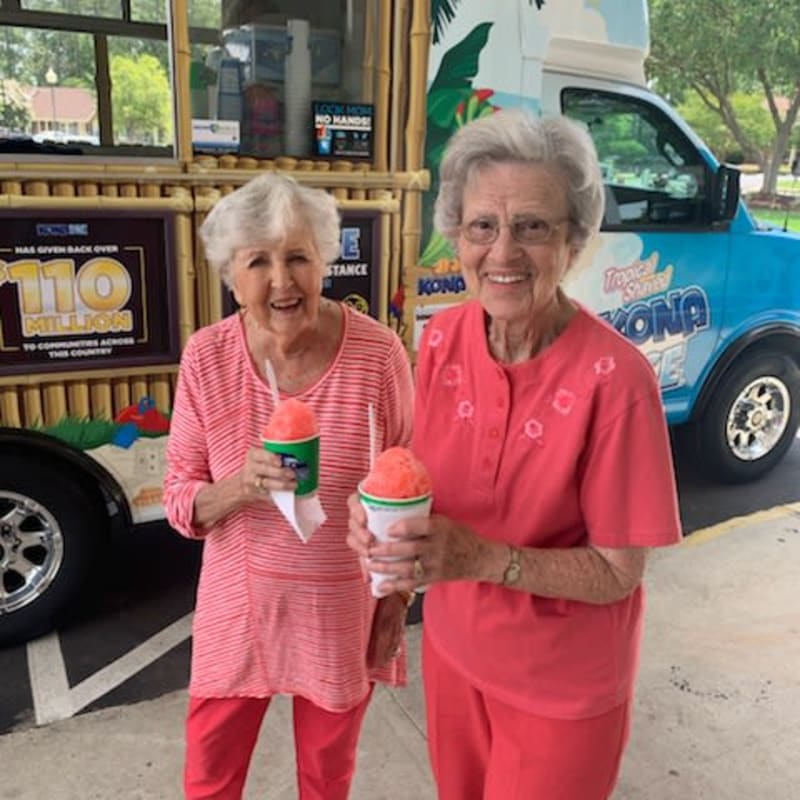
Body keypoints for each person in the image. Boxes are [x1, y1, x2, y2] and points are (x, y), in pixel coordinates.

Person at [347, 109, 682, 800]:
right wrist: (379, 530)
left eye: (533, 226)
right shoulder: (442, 340)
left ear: (574, 241)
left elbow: (619, 572)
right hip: (453, 656)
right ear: (457, 235)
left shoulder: (615, 380)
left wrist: (482, 559)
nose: (502, 253)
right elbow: (424, 484)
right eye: (482, 227)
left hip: (562, 688)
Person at [164, 173, 415, 800]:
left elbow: (409, 496)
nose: (282, 280)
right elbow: (178, 498)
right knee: (209, 781)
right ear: (231, 276)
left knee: (327, 782)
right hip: (238, 611)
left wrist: (394, 608)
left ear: (325, 261)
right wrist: (237, 487)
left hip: (340, 613)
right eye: (259, 262)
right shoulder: (206, 358)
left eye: (299, 256)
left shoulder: (379, 355)